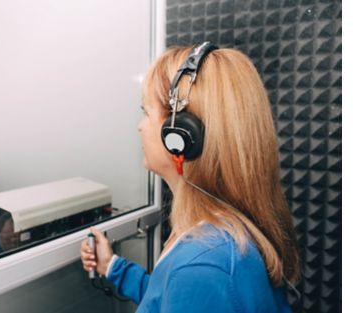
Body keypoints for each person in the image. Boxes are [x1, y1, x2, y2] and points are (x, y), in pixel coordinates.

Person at [80, 43, 300, 312]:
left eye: (146, 112)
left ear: (181, 134)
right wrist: (113, 267)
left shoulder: (203, 266)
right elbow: (171, 296)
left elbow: (190, 285)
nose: (140, 126)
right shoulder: (215, 235)